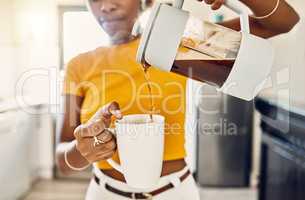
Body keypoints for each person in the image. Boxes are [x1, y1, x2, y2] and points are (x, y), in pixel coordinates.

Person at [56, 0, 299, 199]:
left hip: (175, 193)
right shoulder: (79, 65)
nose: (106, 6)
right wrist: (81, 150)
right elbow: (62, 161)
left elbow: (284, 22)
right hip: (104, 193)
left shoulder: (176, 43)